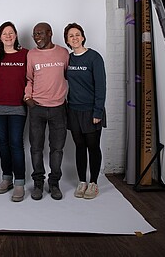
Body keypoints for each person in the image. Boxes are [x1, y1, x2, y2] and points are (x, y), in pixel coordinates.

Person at [24, 22, 69, 200]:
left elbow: (68, 76)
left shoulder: (63, 53)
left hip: (58, 108)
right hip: (37, 109)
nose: (37, 37)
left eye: (40, 33)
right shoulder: (31, 54)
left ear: (50, 33)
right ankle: (38, 184)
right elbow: (29, 78)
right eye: (34, 34)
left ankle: (54, 183)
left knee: (57, 149)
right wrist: (28, 97)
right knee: (36, 148)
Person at [64, 23, 106, 199]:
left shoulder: (94, 57)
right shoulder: (68, 59)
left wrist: (98, 111)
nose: (74, 38)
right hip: (73, 109)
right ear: (67, 40)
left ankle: (93, 182)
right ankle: (82, 181)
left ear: (83, 37)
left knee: (93, 147)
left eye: (77, 35)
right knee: (79, 146)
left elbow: (101, 86)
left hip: (90, 111)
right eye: (70, 36)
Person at [0, 22, 29, 202]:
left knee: (16, 143)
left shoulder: (25, 54)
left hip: (18, 106)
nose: (8, 36)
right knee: (2, 143)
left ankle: (19, 182)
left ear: (16, 35)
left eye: (11, 32)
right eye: (4, 33)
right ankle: (7, 178)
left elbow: (32, 78)